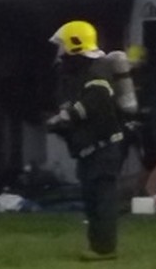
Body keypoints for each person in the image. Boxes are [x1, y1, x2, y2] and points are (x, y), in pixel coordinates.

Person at [46, 21, 125, 261]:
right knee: (93, 201)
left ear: (75, 45)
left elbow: (96, 101)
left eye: (62, 46)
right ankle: (97, 245)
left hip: (104, 150)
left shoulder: (97, 72)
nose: (60, 52)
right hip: (91, 151)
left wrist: (66, 117)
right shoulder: (80, 73)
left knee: (102, 201)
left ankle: (104, 249)